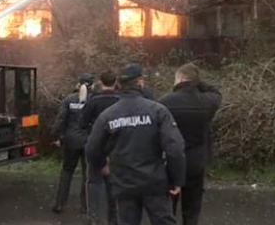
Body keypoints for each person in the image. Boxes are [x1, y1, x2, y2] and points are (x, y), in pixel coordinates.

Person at [86, 64, 185, 225]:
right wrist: (176, 179)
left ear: (119, 84)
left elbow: (91, 148)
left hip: (124, 182)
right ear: (140, 82)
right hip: (155, 182)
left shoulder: (108, 115)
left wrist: (102, 165)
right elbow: (175, 148)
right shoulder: (158, 111)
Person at [159, 63, 222, 225]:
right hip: (197, 160)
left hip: (171, 161)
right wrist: (198, 83)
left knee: (168, 207)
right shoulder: (207, 101)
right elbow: (216, 92)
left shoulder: (165, 102)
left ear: (179, 79)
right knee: (192, 208)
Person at [80, 71, 121, 225]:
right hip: (116, 148)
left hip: (96, 146)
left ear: (100, 82)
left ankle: (94, 218)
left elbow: (82, 123)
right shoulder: (121, 100)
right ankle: (114, 218)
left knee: (93, 182)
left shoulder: (93, 100)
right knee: (113, 184)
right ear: (116, 81)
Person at [51, 74, 93, 214]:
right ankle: (86, 206)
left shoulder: (69, 99)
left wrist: (56, 136)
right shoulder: (93, 101)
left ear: (77, 84)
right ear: (91, 85)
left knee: (67, 171)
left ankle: (60, 204)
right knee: (87, 175)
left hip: (71, 141)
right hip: (88, 141)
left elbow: (61, 120)